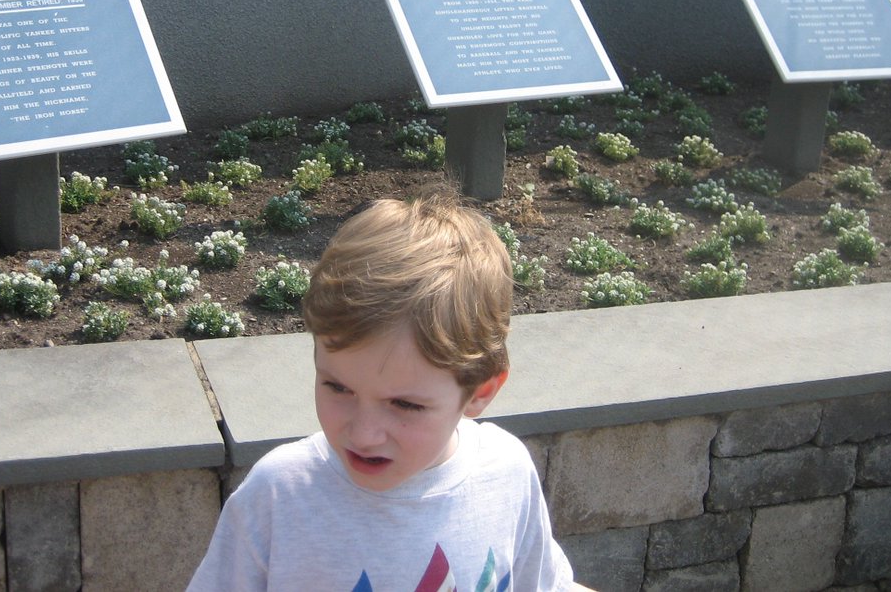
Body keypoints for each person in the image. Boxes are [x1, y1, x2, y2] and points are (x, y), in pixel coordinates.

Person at [187, 190, 590, 591]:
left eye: (404, 404)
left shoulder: (507, 473)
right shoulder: (280, 496)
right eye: (337, 387)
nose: (363, 434)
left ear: (480, 391)